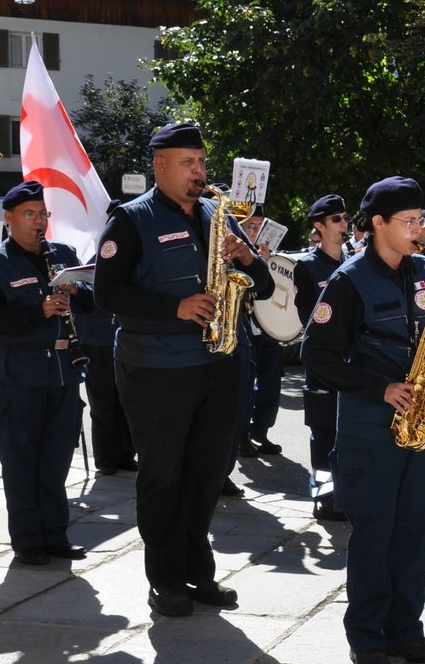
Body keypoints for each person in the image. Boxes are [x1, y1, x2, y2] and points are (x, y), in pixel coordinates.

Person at [93, 122, 273, 618]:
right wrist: (174, 307)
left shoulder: (218, 213)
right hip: (156, 369)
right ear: (161, 166)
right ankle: (166, 579)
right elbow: (106, 294)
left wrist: (248, 257)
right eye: (189, 163)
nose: (200, 171)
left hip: (220, 363)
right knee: (163, 476)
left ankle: (199, 571)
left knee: (208, 473)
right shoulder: (130, 219)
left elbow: (261, 285)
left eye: (202, 161)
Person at [301, 176, 425, 664]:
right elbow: (317, 356)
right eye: (409, 222)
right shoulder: (348, 280)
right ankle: (367, 638)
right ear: (377, 224)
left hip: (424, 423)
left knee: (416, 529)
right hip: (371, 427)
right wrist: (381, 388)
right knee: (375, 532)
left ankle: (406, 630)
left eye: (420, 220)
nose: (419, 230)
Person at [0, 181, 93, 565]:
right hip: (18, 376)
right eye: (29, 214)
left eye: (43, 214)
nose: (38, 221)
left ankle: (55, 534)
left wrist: (77, 292)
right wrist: (36, 311)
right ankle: (27, 540)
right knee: (21, 460)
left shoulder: (62, 254)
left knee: (56, 459)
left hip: (61, 372)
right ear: (9, 219)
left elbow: (93, 303)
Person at [294, 193, 349, 520]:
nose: (344, 224)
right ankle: (324, 498)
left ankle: (347, 492)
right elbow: (306, 316)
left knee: (351, 432)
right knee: (323, 435)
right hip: (324, 363)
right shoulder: (307, 267)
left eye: (345, 218)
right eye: (337, 220)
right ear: (320, 226)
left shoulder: (354, 260)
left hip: (353, 361)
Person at [83, 205, 136, 477]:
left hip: (125, 336)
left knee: (126, 400)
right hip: (98, 337)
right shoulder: (100, 252)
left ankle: (126, 453)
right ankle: (106, 457)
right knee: (103, 401)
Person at [236, 210, 285, 458]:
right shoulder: (236, 254)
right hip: (246, 324)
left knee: (271, 381)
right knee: (245, 384)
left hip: (269, 327)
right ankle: (242, 435)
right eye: (250, 226)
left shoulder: (269, 256)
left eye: (258, 226)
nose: (255, 231)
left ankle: (261, 431)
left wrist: (268, 264)